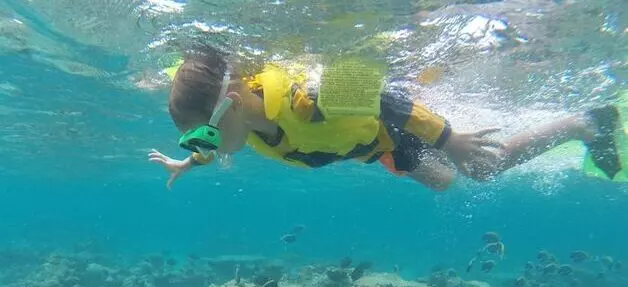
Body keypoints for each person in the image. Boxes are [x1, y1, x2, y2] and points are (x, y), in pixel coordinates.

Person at [148, 48, 623, 190]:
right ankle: (583, 125)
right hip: (370, 149)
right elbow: (216, 144)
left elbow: (378, 96)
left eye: (202, 135)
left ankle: (584, 122)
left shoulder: (302, 99)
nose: (202, 145)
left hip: (388, 125)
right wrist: (188, 163)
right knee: (445, 182)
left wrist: (451, 137)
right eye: (195, 141)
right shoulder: (240, 126)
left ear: (232, 99)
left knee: (476, 169)